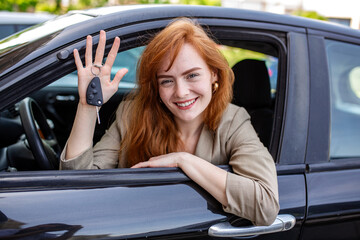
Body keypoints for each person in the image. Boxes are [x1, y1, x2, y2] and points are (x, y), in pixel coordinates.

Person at [60, 18, 279, 226]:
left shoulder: (233, 121)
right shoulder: (131, 114)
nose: (181, 92)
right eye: (167, 80)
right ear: (156, 86)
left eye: (192, 76)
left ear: (214, 74)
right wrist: (88, 105)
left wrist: (184, 161)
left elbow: (266, 206)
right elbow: (77, 183)